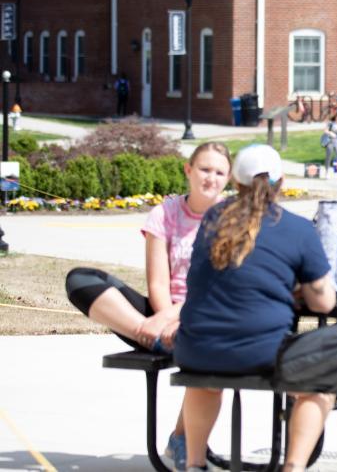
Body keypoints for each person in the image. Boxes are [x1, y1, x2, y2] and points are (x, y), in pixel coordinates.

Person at [65, 142, 232, 469]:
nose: (210, 178)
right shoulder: (165, 213)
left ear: (227, 178)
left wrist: (175, 317)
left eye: (219, 172)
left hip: (205, 315)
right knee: (80, 280)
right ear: (188, 169)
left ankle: (182, 439)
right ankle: (151, 338)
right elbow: (158, 282)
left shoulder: (231, 218)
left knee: (211, 348)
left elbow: (219, 288)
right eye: (204, 169)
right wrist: (161, 322)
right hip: (161, 317)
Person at [176, 145, 336, 472]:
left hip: (195, 347)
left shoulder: (212, 218)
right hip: (261, 351)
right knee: (320, 388)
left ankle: (194, 465)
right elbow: (323, 302)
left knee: (205, 381)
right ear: (281, 182)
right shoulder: (298, 229)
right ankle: (293, 467)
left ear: (235, 182)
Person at [320, 114, 337, 178]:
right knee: (328, 157)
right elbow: (325, 130)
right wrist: (330, 133)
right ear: (336, 117)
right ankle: (327, 172)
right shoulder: (331, 123)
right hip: (330, 141)